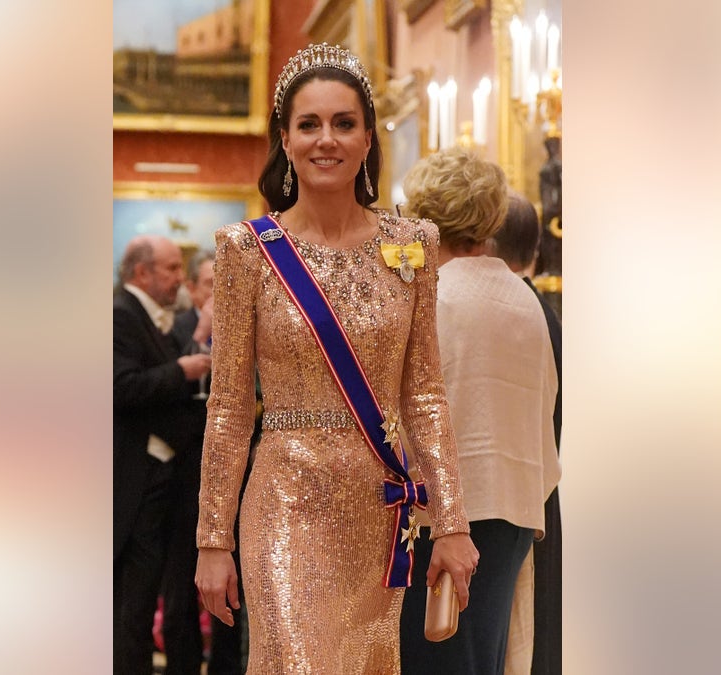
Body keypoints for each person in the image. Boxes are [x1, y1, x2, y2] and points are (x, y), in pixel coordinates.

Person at [194, 43, 478, 674]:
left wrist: (452, 521)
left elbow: (425, 394)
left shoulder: (414, 244)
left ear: (369, 138)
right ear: (286, 141)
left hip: (380, 504)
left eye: (344, 123)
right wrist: (212, 538)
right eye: (309, 124)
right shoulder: (248, 250)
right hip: (283, 502)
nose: (327, 140)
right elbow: (230, 406)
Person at [397, 149, 561, 675]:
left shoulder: (432, 294)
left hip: (437, 519)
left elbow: (406, 412)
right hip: (511, 509)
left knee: (432, 657)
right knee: (478, 657)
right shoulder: (524, 298)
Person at [114, 234, 212, 675]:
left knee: (141, 600)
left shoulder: (154, 318)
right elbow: (120, 387)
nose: (178, 278)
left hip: (159, 480)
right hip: (132, 481)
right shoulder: (120, 315)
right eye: (172, 268)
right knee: (130, 608)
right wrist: (180, 371)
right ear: (141, 273)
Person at [492, 194, 563, 675]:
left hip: (511, 497)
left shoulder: (508, 310)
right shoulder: (543, 311)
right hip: (541, 487)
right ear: (535, 253)